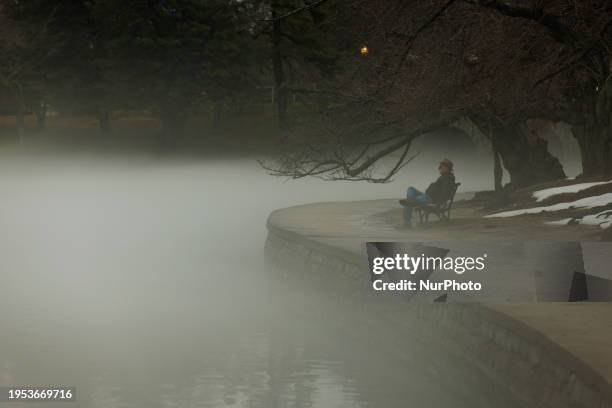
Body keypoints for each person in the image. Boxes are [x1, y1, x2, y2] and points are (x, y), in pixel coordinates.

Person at [400, 159, 456, 227]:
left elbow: (445, 193)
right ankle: (411, 200)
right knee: (411, 189)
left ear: (447, 168)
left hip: (430, 199)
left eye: (441, 167)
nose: (439, 168)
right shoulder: (445, 177)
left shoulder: (447, 179)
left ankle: (407, 222)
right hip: (427, 196)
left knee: (408, 202)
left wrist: (437, 205)